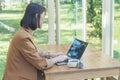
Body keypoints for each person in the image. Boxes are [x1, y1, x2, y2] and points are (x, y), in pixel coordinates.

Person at [3, 3, 68, 80]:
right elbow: (41, 64)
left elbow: (32, 54)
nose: (43, 20)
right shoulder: (23, 37)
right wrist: (58, 59)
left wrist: (51, 55)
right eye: (43, 17)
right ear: (36, 16)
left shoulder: (24, 32)